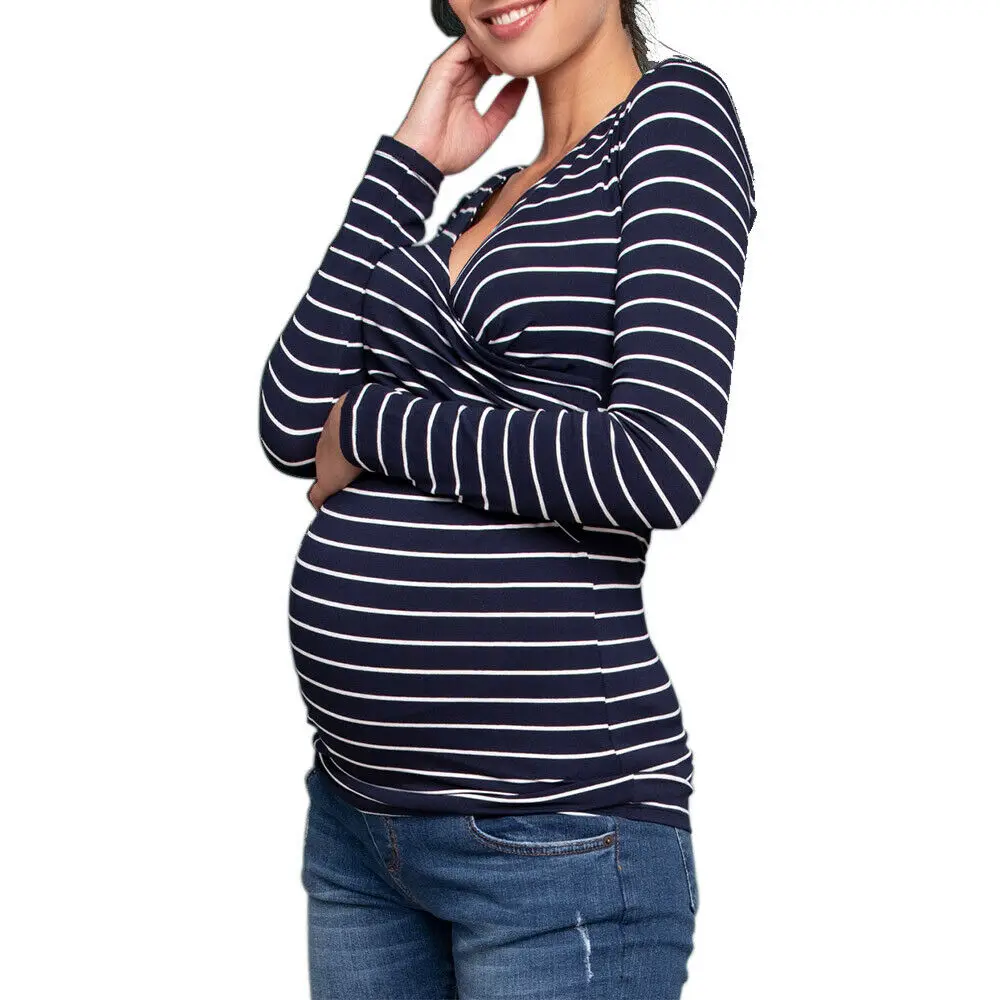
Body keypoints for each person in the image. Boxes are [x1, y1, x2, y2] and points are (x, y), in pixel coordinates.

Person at [257, 1, 756, 996]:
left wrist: (375, 425)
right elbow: (291, 417)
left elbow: (657, 461)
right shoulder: (487, 196)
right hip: (360, 823)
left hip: (555, 832)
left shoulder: (675, 118)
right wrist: (408, 164)